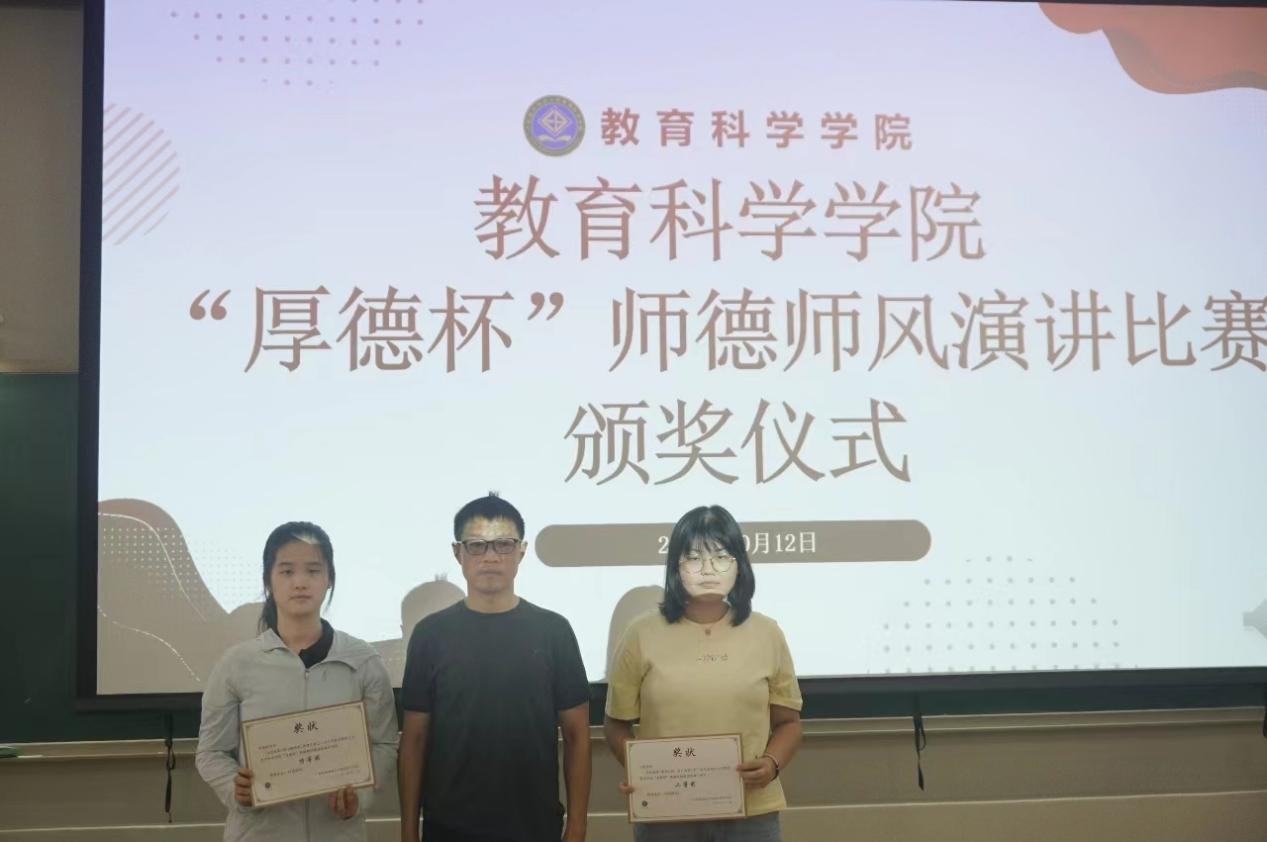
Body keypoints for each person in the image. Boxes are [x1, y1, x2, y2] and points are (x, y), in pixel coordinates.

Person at [398, 493, 591, 842]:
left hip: (535, 826)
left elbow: (577, 735)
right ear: (458, 553)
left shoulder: (554, 631)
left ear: (522, 551)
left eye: (503, 544)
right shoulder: (430, 634)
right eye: (476, 546)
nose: (490, 557)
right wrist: (408, 831)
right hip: (449, 828)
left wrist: (577, 826)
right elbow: (414, 739)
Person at [604, 505, 803, 841]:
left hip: (751, 813)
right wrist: (643, 771)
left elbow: (789, 724)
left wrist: (771, 764)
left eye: (721, 557)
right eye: (694, 558)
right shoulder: (641, 633)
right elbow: (615, 724)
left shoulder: (767, 633)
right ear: (676, 567)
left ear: (739, 565)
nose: (708, 568)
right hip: (667, 814)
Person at [196, 522, 399, 841]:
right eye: (287, 571)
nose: (300, 582)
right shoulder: (237, 663)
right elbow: (210, 752)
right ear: (268, 580)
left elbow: (384, 743)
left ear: (329, 579)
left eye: (313, 571)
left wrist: (359, 797)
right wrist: (236, 788)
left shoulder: (363, 661)